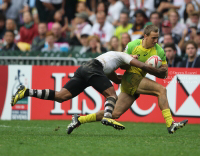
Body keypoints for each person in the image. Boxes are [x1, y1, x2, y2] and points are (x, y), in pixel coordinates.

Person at [67, 25, 188, 135]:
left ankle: (79, 119)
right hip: (130, 77)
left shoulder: (159, 50)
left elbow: (164, 74)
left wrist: (153, 69)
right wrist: (142, 64)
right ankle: (170, 124)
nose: (156, 41)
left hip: (137, 79)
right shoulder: (133, 45)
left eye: (157, 38)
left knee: (115, 114)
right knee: (161, 90)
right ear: (145, 36)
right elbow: (122, 65)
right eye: (153, 38)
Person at [11, 50, 168, 132]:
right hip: (93, 68)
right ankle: (107, 117)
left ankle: (26, 92)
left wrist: (128, 78)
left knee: (61, 96)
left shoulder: (112, 63)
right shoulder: (124, 56)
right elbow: (142, 66)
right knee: (111, 94)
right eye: (132, 58)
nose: (132, 60)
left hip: (85, 68)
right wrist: (158, 72)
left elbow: (117, 80)